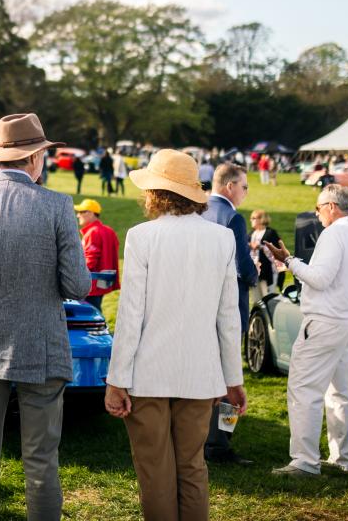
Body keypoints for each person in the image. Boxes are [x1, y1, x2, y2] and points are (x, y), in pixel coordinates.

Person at [0, 113, 91, 521]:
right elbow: (78, 285)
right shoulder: (57, 205)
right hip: (40, 344)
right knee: (41, 459)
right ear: (36, 158)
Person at [105, 148, 246, 521]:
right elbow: (228, 318)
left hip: (148, 373)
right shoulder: (221, 238)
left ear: (155, 193)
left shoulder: (142, 236)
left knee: (155, 472)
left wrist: (116, 379)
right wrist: (234, 378)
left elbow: (131, 313)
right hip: (201, 375)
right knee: (193, 468)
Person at [265, 185, 348, 476]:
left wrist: (289, 261)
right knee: (341, 393)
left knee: (303, 389)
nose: (317, 212)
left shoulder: (334, 233)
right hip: (346, 321)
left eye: (319, 207)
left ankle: (305, 461)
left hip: (323, 322)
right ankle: (344, 459)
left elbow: (320, 279)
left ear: (332, 206)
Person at [201, 162, 257, 465]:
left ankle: (202, 437)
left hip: (200, 305)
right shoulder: (232, 217)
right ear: (230, 186)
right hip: (228, 306)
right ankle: (220, 443)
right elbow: (241, 265)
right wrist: (255, 273)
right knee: (229, 377)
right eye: (245, 186)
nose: (246, 193)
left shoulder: (198, 211)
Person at [74, 198, 119, 311]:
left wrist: (74, 277)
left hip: (91, 284)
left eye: (81, 212)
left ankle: (101, 329)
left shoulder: (92, 232)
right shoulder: (109, 230)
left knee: (89, 314)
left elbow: (89, 261)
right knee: (96, 310)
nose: (78, 215)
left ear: (90, 213)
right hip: (104, 282)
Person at [249, 209, 283, 298]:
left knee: (268, 297)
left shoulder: (270, 233)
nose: (251, 220)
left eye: (253, 218)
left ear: (261, 219)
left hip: (269, 270)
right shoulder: (252, 234)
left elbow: (278, 251)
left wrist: (260, 247)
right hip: (255, 270)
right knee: (257, 298)